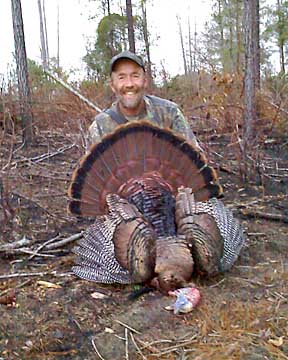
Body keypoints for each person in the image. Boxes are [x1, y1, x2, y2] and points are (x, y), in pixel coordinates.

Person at [88, 50, 200, 149]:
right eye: (121, 77)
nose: (129, 84)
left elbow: (195, 163)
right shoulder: (100, 126)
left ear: (145, 81)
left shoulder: (169, 113)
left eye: (135, 75)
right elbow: (93, 172)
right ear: (112, 85)